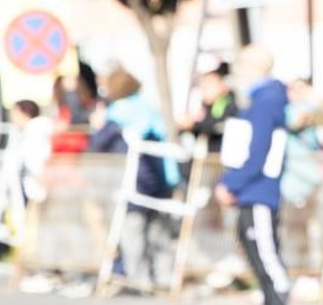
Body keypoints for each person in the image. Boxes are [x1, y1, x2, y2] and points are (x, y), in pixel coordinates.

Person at [217, 44, 293, 305]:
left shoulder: (266, 103)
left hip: (259, 193)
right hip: (252, 193)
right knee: (261, 265)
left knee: (270, 267)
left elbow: (257, 152)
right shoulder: (262, 102)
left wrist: (232, 184)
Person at [87, 69, 180, 292]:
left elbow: (97, 144)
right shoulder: (148, 109)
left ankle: (139, 280)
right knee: (158, 231)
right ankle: (164, 277)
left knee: (133, 232)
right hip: (159, 180)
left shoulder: (119, 113)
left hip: (133, 181)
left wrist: (97, 126)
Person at [182, 65, 236, 143]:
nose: (204, 89)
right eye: (203, 85)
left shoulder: (227, 104)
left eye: (209, 85)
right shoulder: (207, 105)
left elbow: (217, 125)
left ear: (222, 86)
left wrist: (194, 124)